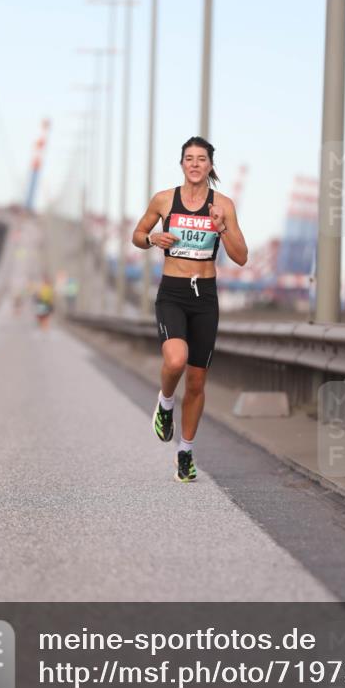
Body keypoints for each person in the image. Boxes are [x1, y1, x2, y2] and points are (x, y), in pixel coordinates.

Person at [131, 136, 248, 482]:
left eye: (201, 159)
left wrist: (221, 226)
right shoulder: (165, 200)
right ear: (181, 163)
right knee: (176, 360)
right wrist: (152, 239)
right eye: (189, 158)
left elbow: (241, 257)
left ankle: (185, 453)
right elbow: (137, 234)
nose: (195, 164)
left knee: (196, 382)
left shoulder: (223, 205)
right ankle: (165, 404)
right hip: (173, 293)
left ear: (210, 166)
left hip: (205, 297)